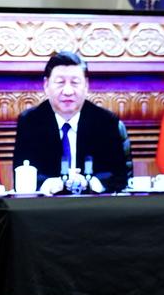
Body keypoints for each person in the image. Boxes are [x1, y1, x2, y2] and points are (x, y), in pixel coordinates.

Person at [13, 51, 128, 194]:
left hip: (95, 207)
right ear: (46, 85)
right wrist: (49, 183)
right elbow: (22, 172)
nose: (68, 91)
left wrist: (90, 182)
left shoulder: (105, 121)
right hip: (47, 207)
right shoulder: (30, 122)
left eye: (75, 83)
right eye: (60, 82)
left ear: (86, 86)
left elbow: (118, 175)